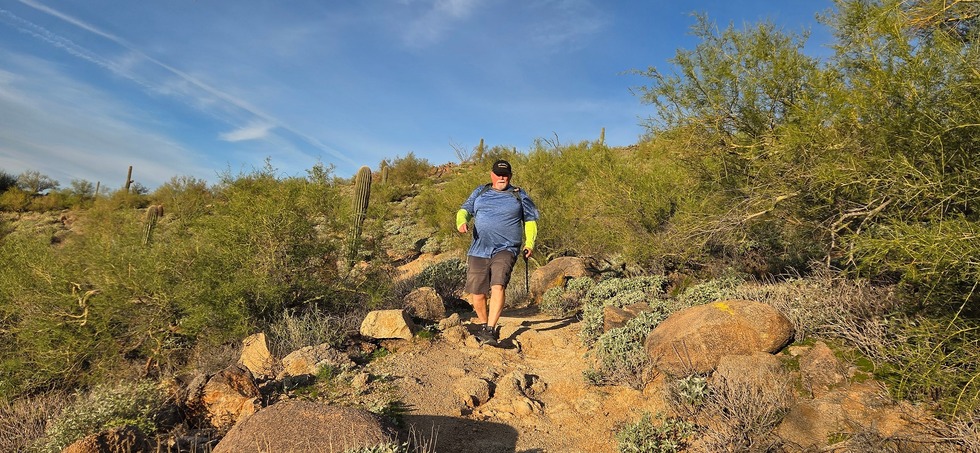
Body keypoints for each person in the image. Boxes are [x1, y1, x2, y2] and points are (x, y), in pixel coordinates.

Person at [456, 159, 539, 346]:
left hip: (506, 248)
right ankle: (484, 325)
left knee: (498, 285)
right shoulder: (480, 191)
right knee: (477, 293)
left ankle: (491, 329)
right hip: (479, 249)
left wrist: (530, 243)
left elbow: (530, 220)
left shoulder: (519, 194)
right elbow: (464, 210)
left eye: (505, 175)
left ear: (510, 176)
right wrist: (461, 222)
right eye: (498, 174)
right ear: (492, 175)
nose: (502, 178)